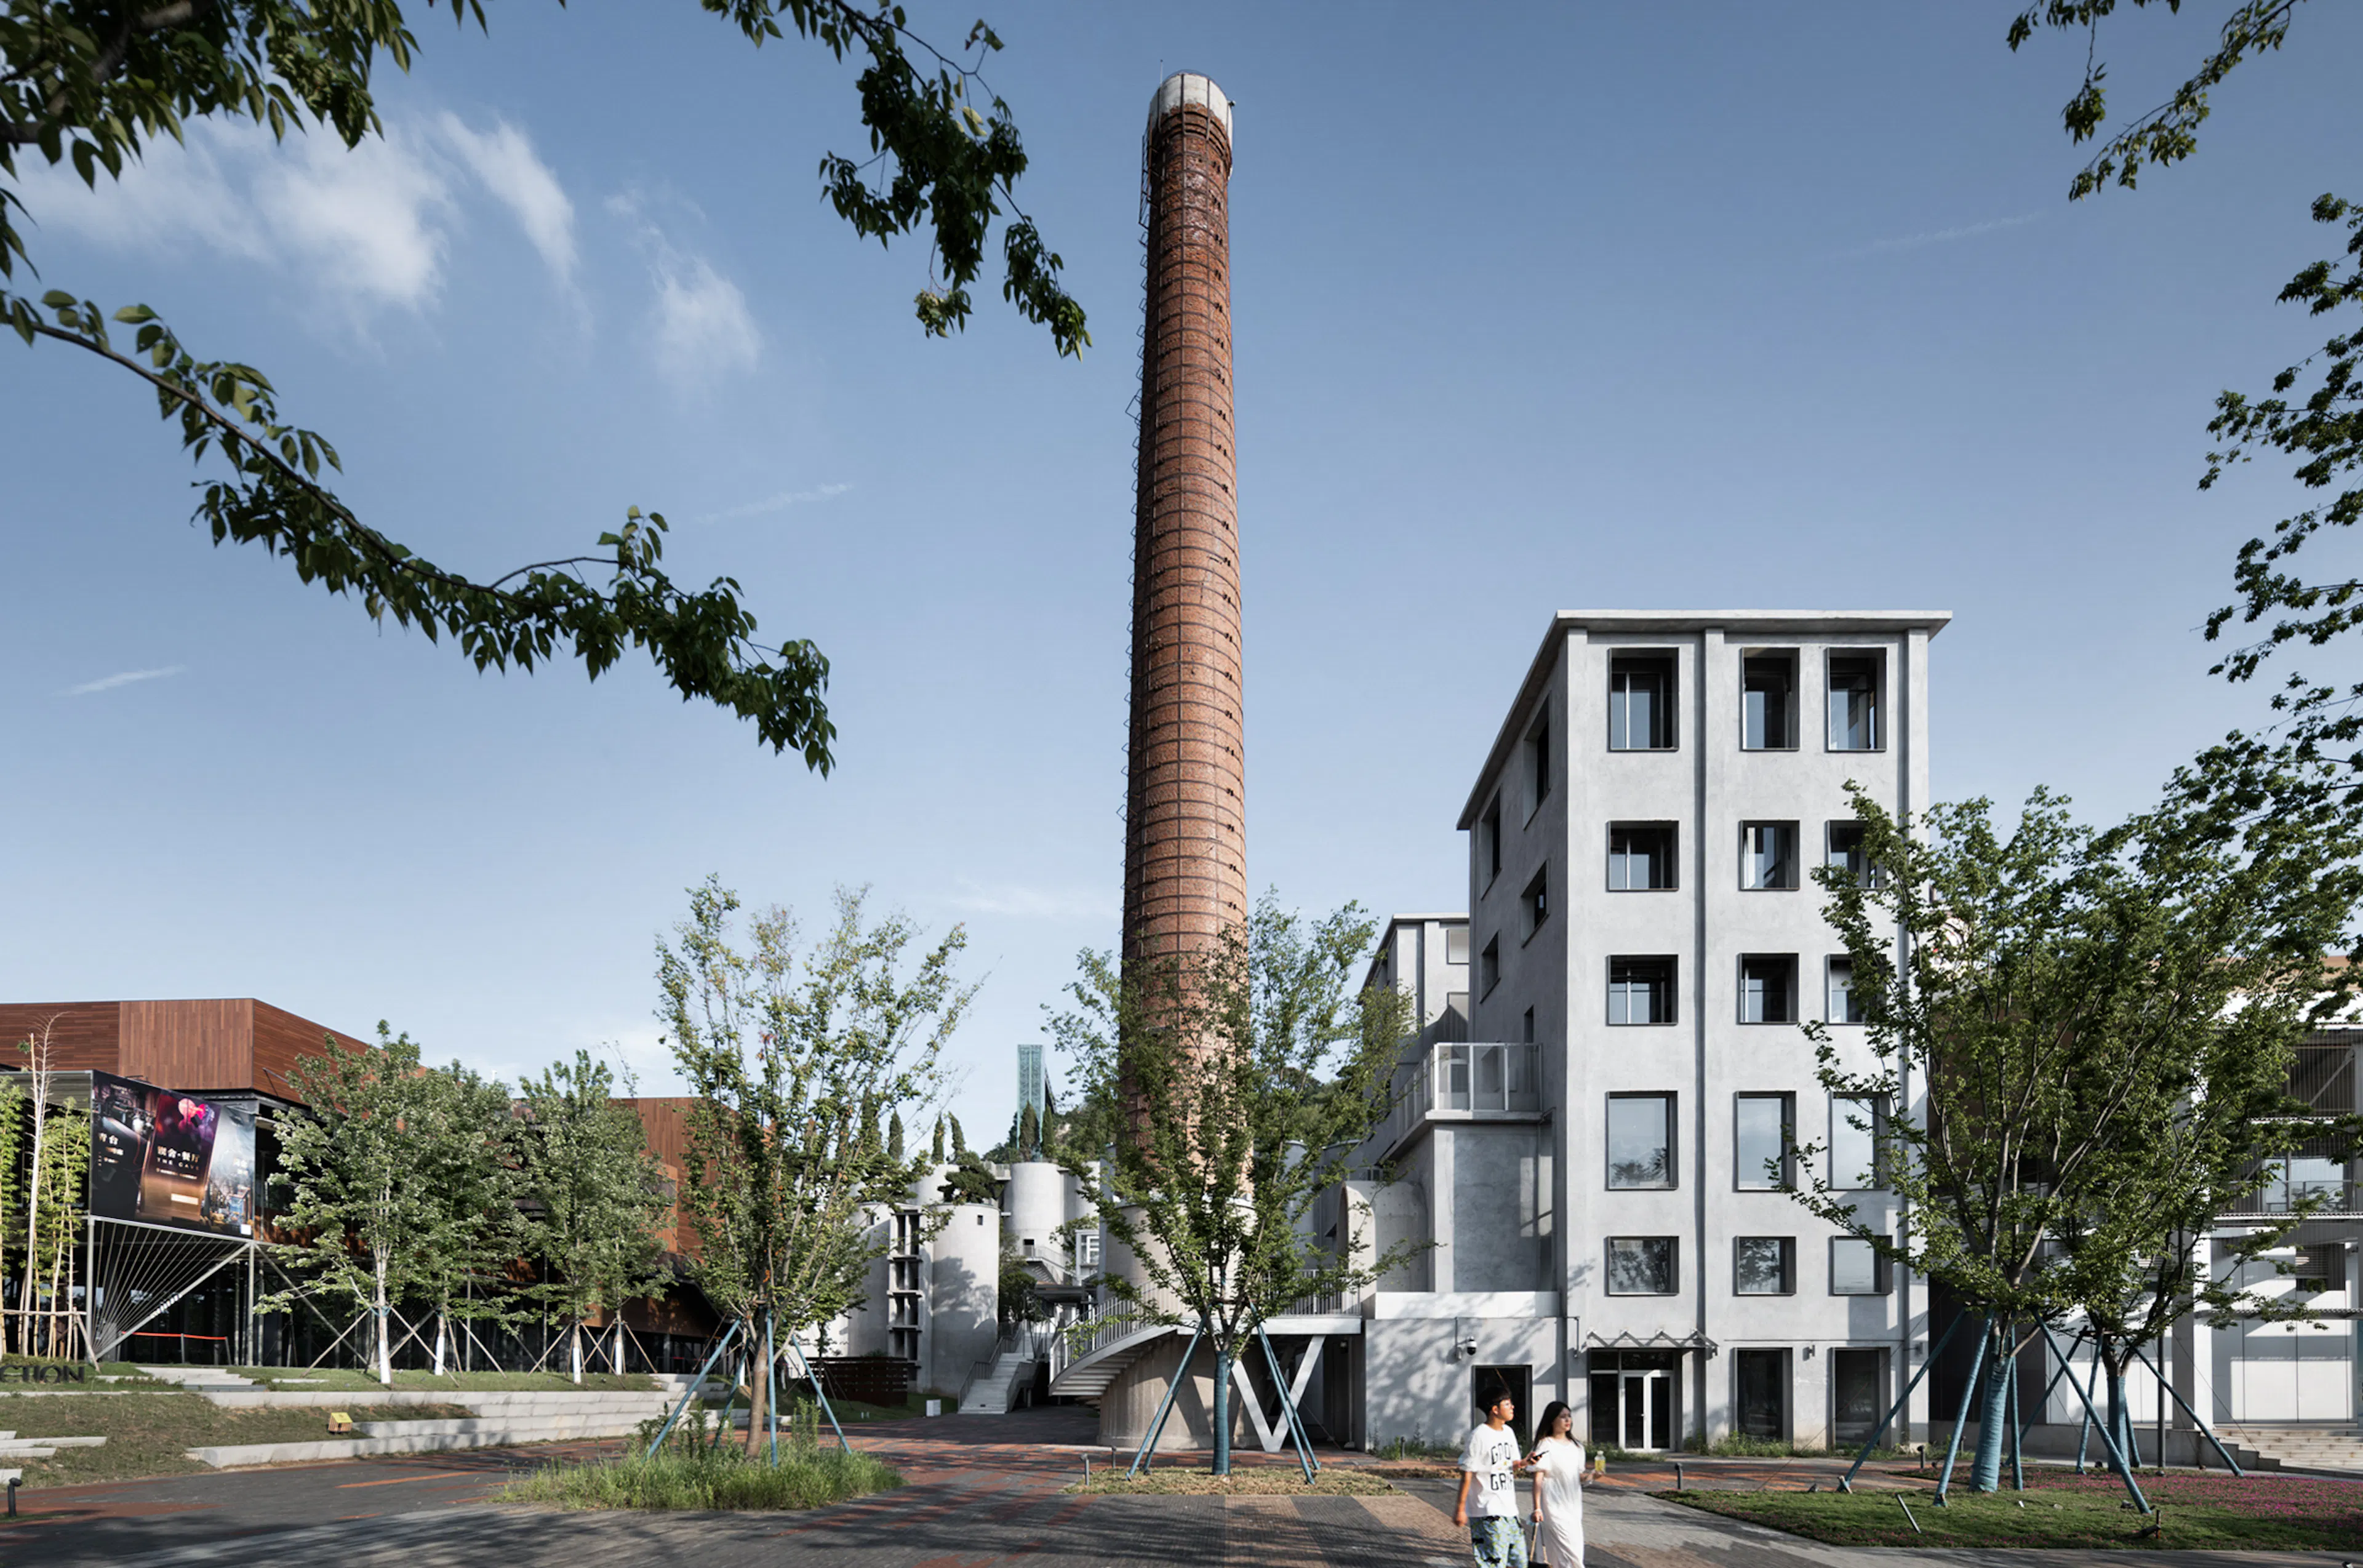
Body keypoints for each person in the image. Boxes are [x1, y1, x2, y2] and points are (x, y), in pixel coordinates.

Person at [1453, 1383, 1530, 1568]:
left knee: (1521, 1562)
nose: (1512, 1407)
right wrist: (1461, 1509)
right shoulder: (1479, 1436)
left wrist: (1525, 1462)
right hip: (1487, 1510)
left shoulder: (1509, 1433)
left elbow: (1512, 1465)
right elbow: (1467, 1474)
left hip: (1510, 1509)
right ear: (1495, 1410)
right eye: (1507, 1404)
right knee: (1494, 1563)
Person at [1525, 1399, 1588, 1567]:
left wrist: (1592, 1477)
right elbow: (1538, 1479)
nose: (1568, 1420)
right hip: (1553, 1507)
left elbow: (1578, 1476)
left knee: (1567, 1553)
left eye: (1569, 1416)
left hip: (1573, 1508)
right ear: (1552, 1420)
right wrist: (1537, 1508)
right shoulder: (1546, 1445)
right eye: (1562, 1417)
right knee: (1572, 1554)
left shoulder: (1577, 1447)